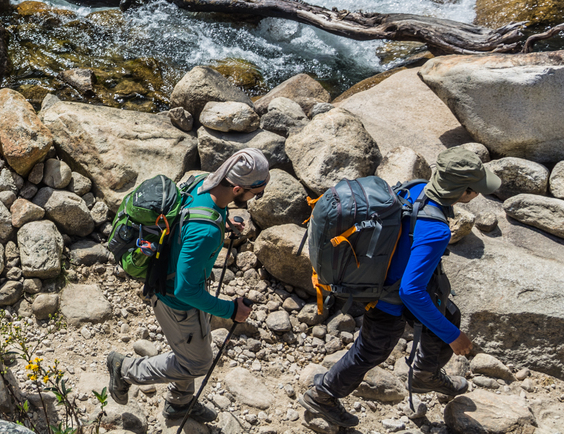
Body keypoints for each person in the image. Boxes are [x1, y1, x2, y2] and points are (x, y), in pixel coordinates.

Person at [299, 147, 501, 428]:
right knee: (375, 349)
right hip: (386, 295)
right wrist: (455, 337)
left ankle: (424, 375)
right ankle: (322, 394)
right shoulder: (438, 229)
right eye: (475, 189)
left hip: (386, 274)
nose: (477, 194)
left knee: (447, 314)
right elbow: (411, 291)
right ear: (463, 192)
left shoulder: (417, 187)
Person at [107, 149, 270, 423]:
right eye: (258, 193)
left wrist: (223, 218)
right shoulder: (205, 231)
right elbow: (186, 290)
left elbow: (188, 212)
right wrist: (231, 310)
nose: (257, 198)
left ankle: (179, 404)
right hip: (177, 301)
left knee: (191, 349)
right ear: (238, 187)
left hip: (170, 279)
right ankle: (125, 369)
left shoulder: (201, 180)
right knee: (197, 363)